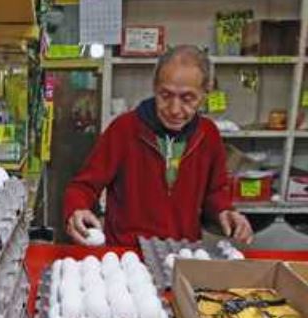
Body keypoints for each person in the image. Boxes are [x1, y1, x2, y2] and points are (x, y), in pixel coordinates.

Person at [63, 45, 253, 247]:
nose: (174, 109)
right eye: (165, 95)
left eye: (188, 98)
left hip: (183, 253)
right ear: (154, 87)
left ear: (204, 94)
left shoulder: (208, 135)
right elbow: (83, 186)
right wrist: (77, 209)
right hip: (127, 252)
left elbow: (215, 192)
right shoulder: (124, 129)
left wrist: (225, 212)